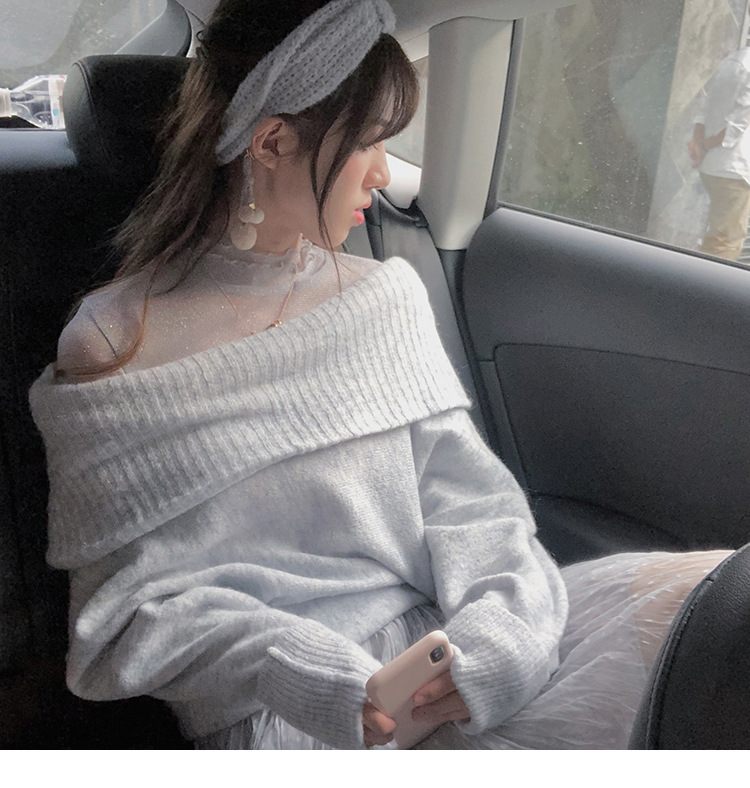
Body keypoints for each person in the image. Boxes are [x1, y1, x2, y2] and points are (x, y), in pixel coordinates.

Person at [30, 0, 729, 749]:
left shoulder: (379, 298)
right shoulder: (115, 342)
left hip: (451, 644)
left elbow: (474, 505)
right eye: (368, 142)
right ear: (272, 142)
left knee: (725, 607)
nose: (385, 172)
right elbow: (127, 617)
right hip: (295, 710)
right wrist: (291, 663)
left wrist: (502, 636)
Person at [688, 47, 750, 261]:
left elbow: (705, 108)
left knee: (714, 238)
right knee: (725, 245)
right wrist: (704, 146)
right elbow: (737, 125)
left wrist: (698, 142)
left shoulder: (733, 61)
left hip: (713, 168)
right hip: (734, 170)